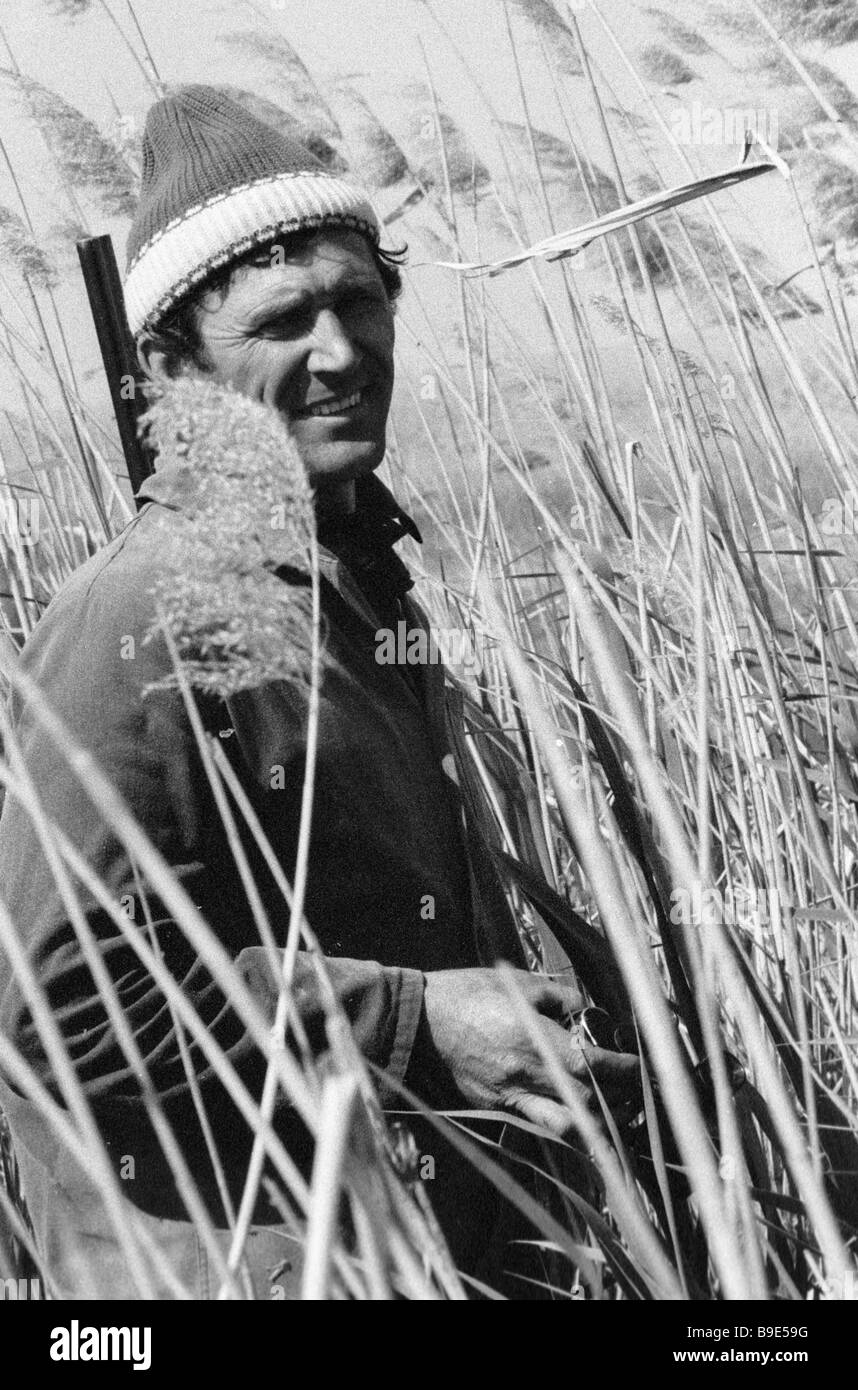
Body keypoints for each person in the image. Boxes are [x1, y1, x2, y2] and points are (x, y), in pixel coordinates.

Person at [0, 86, 639, 1299]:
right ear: (171, 366)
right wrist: (418, 1021)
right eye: (284, 319)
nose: (341, 352)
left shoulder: (356, 590)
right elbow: (52, 1001)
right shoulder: (138, 619)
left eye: (359, 298)